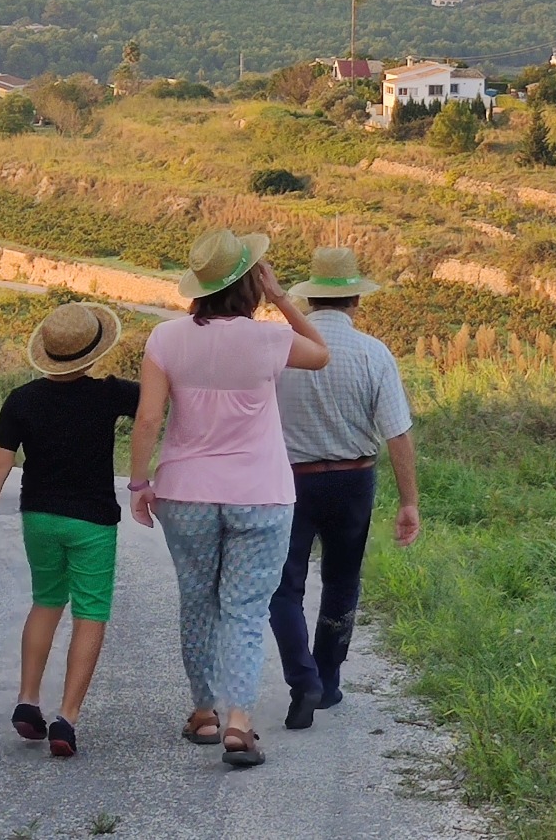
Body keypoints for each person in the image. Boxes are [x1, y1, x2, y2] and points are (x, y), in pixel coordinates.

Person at [128, 228, 330, 768]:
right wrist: (284, 297)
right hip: (262, 495)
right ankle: (240, 721)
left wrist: (139, 483)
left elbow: (149, 418)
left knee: (198, 601)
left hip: (186, 494)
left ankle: (203, 713)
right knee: (245, 610)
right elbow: (321, 353)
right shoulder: (268, 340)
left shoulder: (166, 339)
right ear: (251, 284)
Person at [0, 302, 136, 759]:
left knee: (46, 603)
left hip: (39, 517)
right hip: (92, 520)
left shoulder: (22, 399)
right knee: (90, 612)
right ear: (93, 353)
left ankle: (27, 700)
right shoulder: (111, 394)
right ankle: (66, 720)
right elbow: (161, 398)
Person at [267, 246, 419, 730]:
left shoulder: (280, 349)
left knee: (283, 585)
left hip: (290, 480)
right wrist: (409, 501)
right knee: (342, 580)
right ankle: (329, 679)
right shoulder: (374, 353)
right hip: (354, 479)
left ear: (310, 299)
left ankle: (302, 678)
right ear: (356, 299)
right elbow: (397, 432)